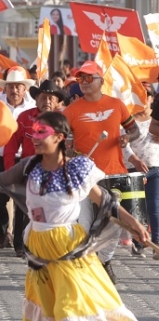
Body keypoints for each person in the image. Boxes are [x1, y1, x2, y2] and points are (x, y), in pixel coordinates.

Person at [0, 111, 147, 321]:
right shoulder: (28, 166)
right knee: (48, 307)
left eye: (42, 132)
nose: (35, 137)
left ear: (59, 137)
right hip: (39, 245)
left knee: (70, 308)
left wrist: (134, 223)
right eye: (34, 132)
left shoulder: (76, 168)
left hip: (67, 244)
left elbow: (105, 200)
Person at [62, 60, 141, 282]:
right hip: (84, 177)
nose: (84, 83)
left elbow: (134, 130)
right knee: (83, 224)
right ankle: (82, 267)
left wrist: (127, 138)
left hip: (114, 173)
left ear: (101, 81)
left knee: (115, 224)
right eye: (80, 79)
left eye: (89, 78)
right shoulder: (71, 110)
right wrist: (70, 152)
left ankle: (105, 261)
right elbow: (64, 142)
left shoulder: (117, 105)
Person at [3, 79, 64, 258]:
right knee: (25, 208)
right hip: (29, 170)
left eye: (51, 98)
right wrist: (9, 172)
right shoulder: (24, 117)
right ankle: (21, 244)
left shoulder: (63, 119)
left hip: (56, 171)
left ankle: (48, 243)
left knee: (53, 209)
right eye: (43, 97)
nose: (47, 101)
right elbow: (11, 145)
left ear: (57, 101)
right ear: (36, 99)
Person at [0, 66, 36, 250]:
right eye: (11, 86)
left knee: (23, 202)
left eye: (18, 86)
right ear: (5, 88)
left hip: (23, 160)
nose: (14, 90)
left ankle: (20, 242)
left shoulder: (33, 107)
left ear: (25, 88)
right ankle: (2, 230)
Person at [130, 91, 159, 259]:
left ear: (151, 99)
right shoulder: (129, 121)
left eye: (146, 96)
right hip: (135, 170)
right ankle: (138, 242)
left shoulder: (155, 122)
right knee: (137, 208)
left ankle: (156, 243)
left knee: (154, 207)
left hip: (155, 167)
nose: (143, 100)